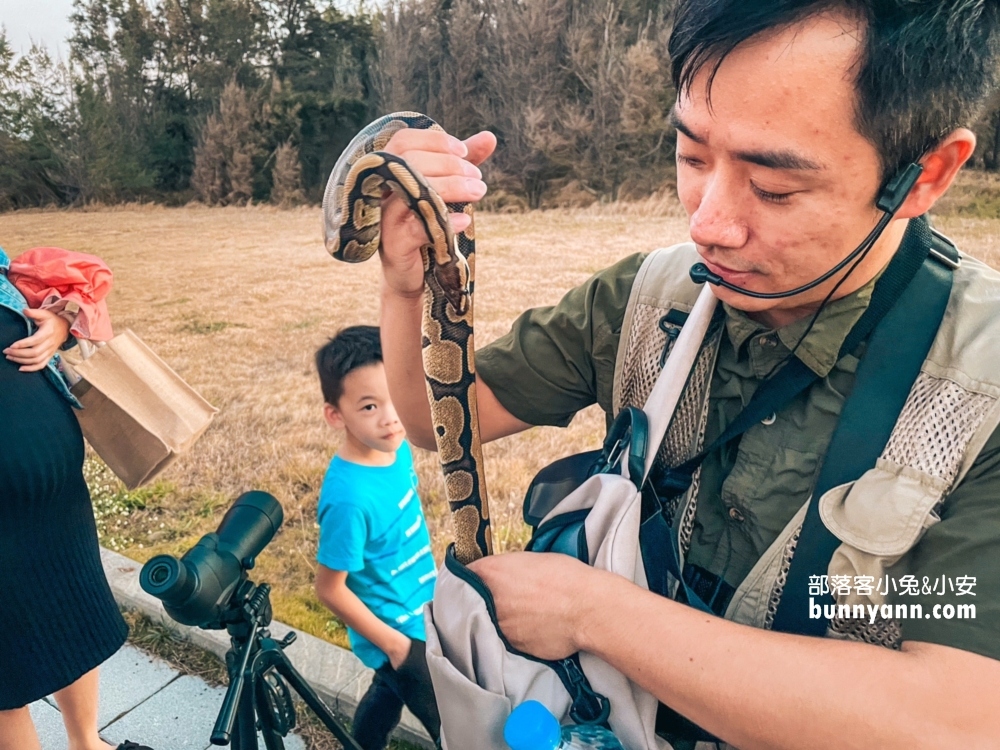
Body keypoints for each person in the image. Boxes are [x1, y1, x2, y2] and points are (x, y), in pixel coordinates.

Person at [371, 1, 1000, 747]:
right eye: (693, 156)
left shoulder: (981, 386)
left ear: (925, 173)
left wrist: (592, 612)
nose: (706, 224)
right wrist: (407, 284)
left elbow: (957, 717)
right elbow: (432, 418)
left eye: (774, 187)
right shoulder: (645, 298)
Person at [0, 247, 152, 750]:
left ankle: (87, 744)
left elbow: (63, 295)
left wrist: (57, 328)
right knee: (6, 676)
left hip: (56, 498)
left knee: (72, 620)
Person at [312, 325, 441, 750]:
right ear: (336, 414)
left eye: (394, 399)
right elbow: (329, 589)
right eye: (369, 406)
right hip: (399, 630)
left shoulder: (394, 446)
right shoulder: (348, 500)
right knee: (451, 726)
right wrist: (397, 646)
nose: (389, 417)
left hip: (426, 602)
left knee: (387, 692)